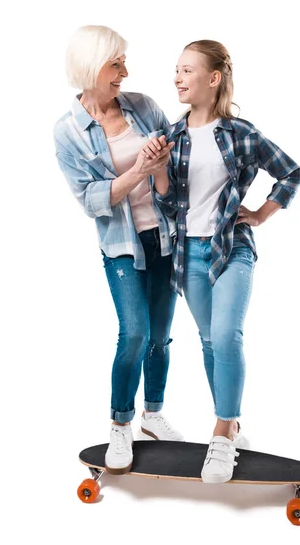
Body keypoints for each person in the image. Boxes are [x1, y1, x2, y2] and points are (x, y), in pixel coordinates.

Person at [150, 40, 300, 483]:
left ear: (213, 78)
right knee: (209, 342)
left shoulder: (242, 134)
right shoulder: (172, 137)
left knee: (226, 334)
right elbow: (165, 205)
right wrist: (158, 170)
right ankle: (233, 424)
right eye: (175, 70)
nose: (177, 78)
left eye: (187, 70)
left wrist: (261, 214)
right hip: (188, 253)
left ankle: (220, 436)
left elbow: (291, 172)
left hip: (231, 247)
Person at [53, 25, 183, 476]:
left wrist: (163, 164)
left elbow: (178, 162)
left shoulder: (144, 107)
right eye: (116, 64)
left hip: (164, 236)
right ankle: (121, 423)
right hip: (122, 246)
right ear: (92, 68)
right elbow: (91, 200)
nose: (125, 71)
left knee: (161, 336)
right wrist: (138, 171)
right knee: (134, 334)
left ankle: (152, 414)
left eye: (124, 62)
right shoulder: (69, 131)